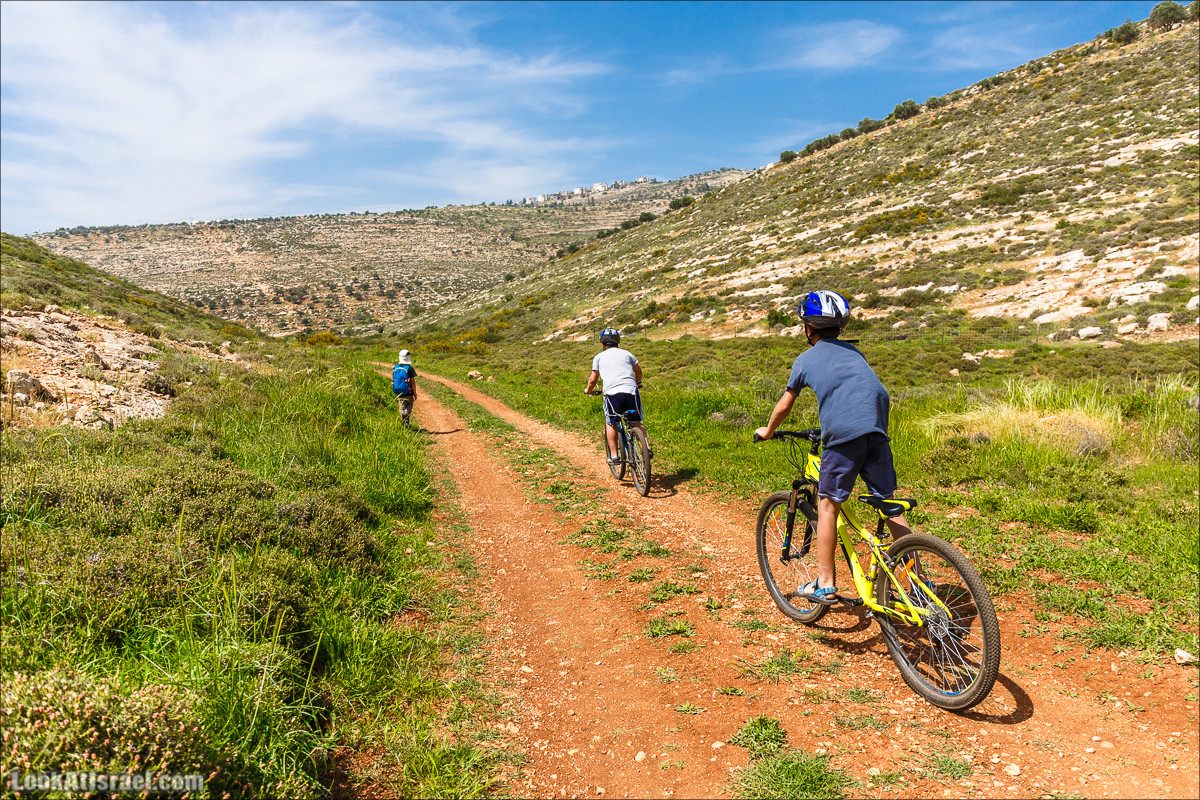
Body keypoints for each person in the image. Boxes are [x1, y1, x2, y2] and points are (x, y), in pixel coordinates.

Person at [754, 290, 911, 606]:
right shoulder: (855, 354)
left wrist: (768, 430)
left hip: (844, 435)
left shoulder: (805, 359)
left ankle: (824, 584)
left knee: (827, 505)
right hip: (877, 428)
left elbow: (786, 404)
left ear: (808, 328)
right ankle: (917, 578)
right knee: (887, 501)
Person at [584, 328, 651, 462]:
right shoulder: (627, 354)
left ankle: (614, 455)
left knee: (611, 423)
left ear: (603, 344)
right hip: (631, 391)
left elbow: (593, 379)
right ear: (618, 342)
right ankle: (647, 449)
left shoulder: (599, 357)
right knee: (636, 422)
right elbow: (638, 371)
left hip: (612, 394)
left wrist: (589, 391)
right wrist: (638, 383)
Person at [393, 350, 418, 426]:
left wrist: (395, 391)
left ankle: (405, 424)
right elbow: (413, 382)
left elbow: (394, 380)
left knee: (402, 407)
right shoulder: (410, 369)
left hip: (399, 391)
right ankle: (406, 419)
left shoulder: (396, 367)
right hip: (409, 392)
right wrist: (415, 393)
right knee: (409, 406)